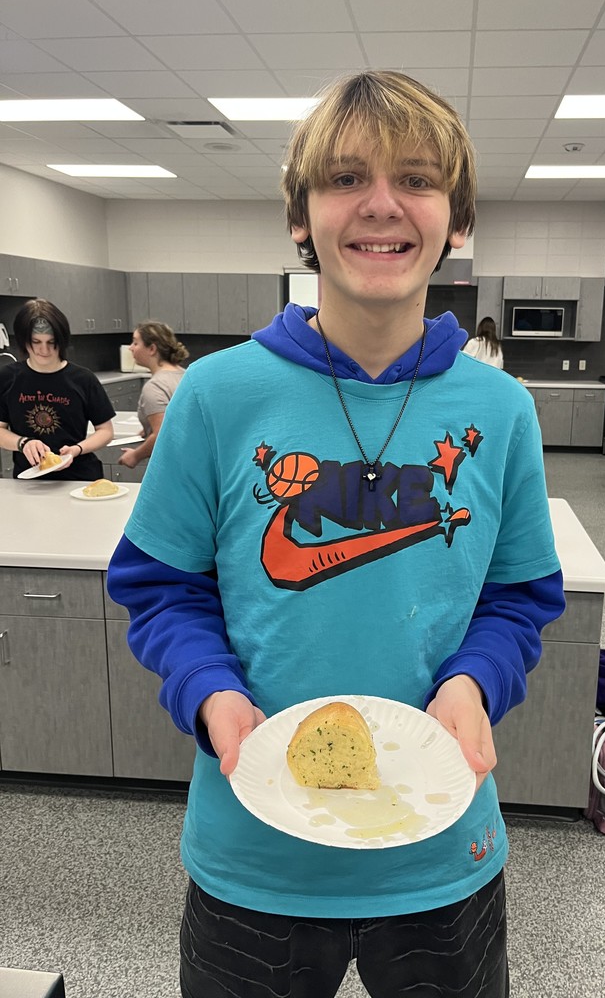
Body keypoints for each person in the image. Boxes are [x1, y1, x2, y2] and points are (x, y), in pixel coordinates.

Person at [107, 70, 566, 998]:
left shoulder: (502, 408)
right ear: (300, 214)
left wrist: (477, 683)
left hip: (443, 850)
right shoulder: (217, 395)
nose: (383, 205)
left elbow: (517, 598)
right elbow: (163, 588)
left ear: (457, 217)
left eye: (419, 179)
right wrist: (209, 693)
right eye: (347, 177)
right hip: (255, 850)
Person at [0, 298, 114, 480]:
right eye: (36, 341)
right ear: (23, 340)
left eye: (51, 342)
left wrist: (77, 449)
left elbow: (106, 431)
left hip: (79, 477)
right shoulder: (7, 377)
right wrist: (23, 443)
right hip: (28, 480)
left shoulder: (83, 379)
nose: (44, 349)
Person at [117, 321, 188, 469]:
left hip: (173, 466)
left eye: (135, 343)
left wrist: (135, 456)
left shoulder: (155, 387)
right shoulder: (186, 375)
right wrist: (149, 426)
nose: (130, 348)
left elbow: (162, 434)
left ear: (152, 349)